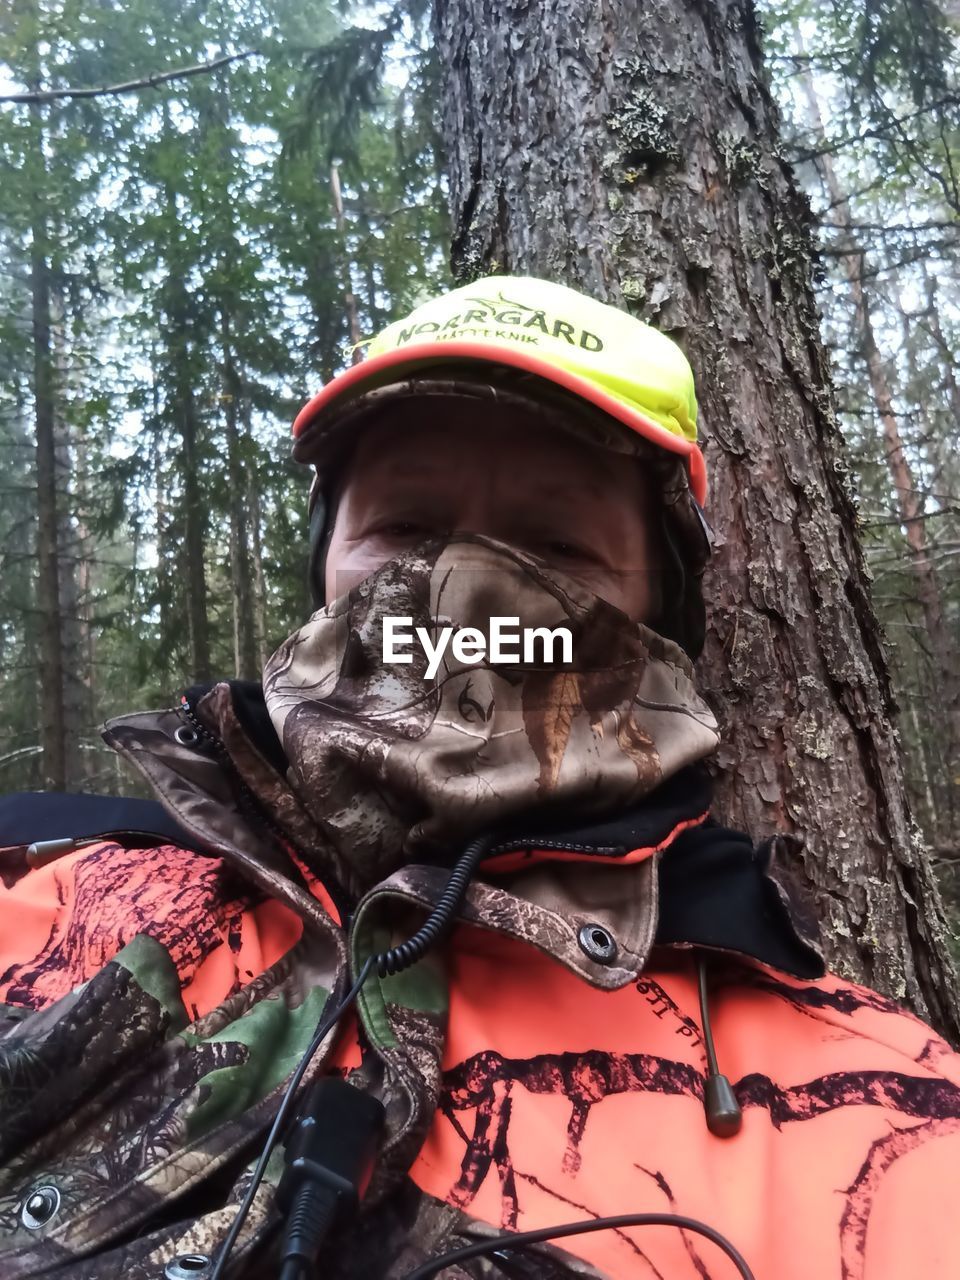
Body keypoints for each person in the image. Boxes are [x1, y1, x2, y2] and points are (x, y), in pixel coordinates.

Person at [1, 274, 958, 1280]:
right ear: (324, 559)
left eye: (553, 545)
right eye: (409, 526)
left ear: (661, 612)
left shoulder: (867, 1117)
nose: (461, 591)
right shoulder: (53, 883)